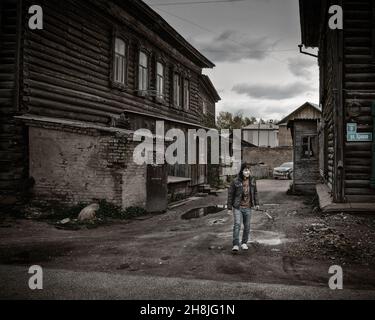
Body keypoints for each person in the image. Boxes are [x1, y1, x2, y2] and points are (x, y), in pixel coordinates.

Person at [227, 162, 259, 252]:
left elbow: (255, 192)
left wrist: (256, 204)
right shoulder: (235, 181)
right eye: (245, 170)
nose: (247, 172)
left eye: (248, 170)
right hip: (238, 207)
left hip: (248, 207)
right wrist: (229, 208)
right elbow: (230, 195)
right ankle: (236, 244)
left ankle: (244, 243)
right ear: (241, 171)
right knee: (237, 225)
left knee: (247, 226)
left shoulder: (252, 180)